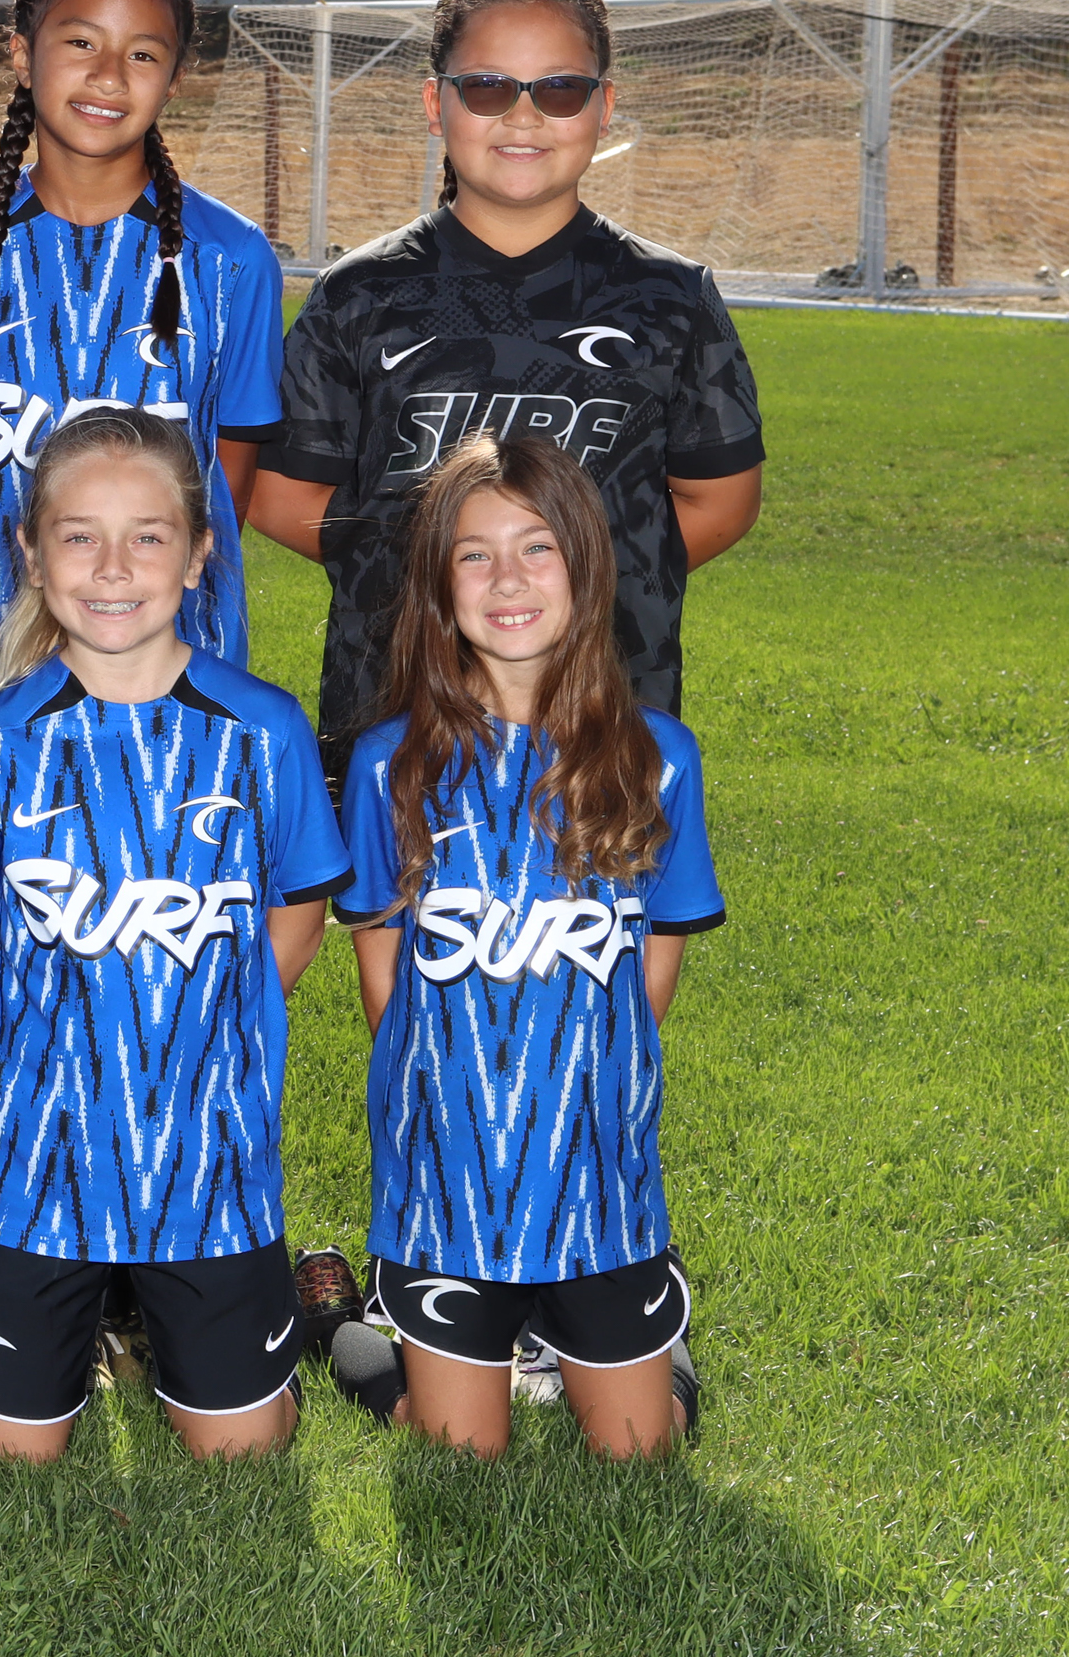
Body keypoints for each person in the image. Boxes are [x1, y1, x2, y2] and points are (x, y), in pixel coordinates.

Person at [0, 409, 349, 1463]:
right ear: (30, 552)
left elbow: (296, 912)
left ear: (198, 553)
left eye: (147, 535)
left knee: (242, 1450)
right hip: (36, 1164)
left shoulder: (262, 730)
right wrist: (62, 1029)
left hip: (211, 1163)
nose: (112, 567)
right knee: (8, 1455)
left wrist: (206, 1014)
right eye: (79, 535)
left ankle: (257, 1323)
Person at [246, 0, 765, 786]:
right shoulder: (361, 294)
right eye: (488, 87)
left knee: (592, 872)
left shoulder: (670, 296)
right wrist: (427, 577)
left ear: (603, 108)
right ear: (436, 105)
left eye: (559, 90)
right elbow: (280, 496)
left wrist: (573, 583)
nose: (524, 115)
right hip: (398, 710)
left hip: (601, 712)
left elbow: (720, 501)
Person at [322, 432, 720, 1458]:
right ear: (438, 585)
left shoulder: (658, 759)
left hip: (597, 1177)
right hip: (447, 1180)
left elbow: (649, 974)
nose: (507, 579)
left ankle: (657, 1351)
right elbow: (385, 973)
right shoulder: (389, 765)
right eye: (475, 554)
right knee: (459, 1451)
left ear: (585, 567)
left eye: (536, 547)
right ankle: (340, 1328)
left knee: (637, 1450)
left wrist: (575, 1086)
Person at [0, 0, 284, 718]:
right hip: (5, 643)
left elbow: (229, 481)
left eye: (143, 54)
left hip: (183, 644)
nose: (109, 75)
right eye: (81, 42)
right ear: (22, 54)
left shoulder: (232, 260)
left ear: (175, 79)